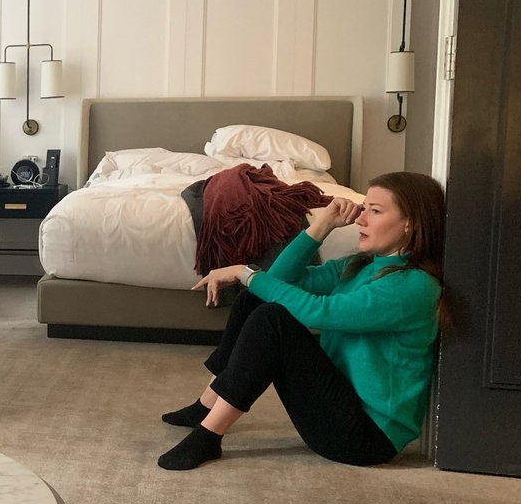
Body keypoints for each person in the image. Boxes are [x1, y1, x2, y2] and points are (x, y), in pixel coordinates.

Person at [156, 171, 447, 472]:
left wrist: (245, 273)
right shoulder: (359, 265)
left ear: (410, 222)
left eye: (375, 211)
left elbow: (318, 312)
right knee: (255, 298)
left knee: (273, 317)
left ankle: (209, 434)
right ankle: (207, 403)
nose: (361, 219)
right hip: (337, 406)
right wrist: (321, 227)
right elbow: (279, 280)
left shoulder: (413, 286)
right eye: (364, 207)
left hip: (365, 438)